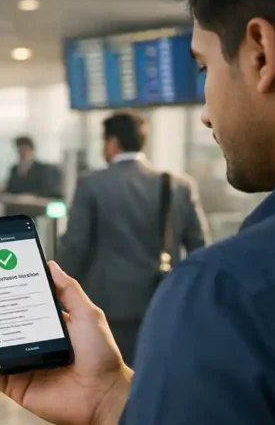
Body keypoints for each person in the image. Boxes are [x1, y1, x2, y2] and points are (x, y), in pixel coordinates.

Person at [0, 0, 275, 423]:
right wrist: (110, 398)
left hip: (119, 299)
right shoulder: (177, 190)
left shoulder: (226, 291)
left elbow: (81, 242)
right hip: (155, 297)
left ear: (261, 54)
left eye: (204, 68)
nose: (204, 113)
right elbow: (195, 240)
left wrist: (49, 295)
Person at [58, 110, 209, 364]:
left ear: (112, 142)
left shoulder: (92, 184)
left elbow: (76, 245)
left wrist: (60, 293)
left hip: (106, 306)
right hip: (162, 301)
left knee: (113, 379)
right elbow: (199, 247)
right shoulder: (177, 185)